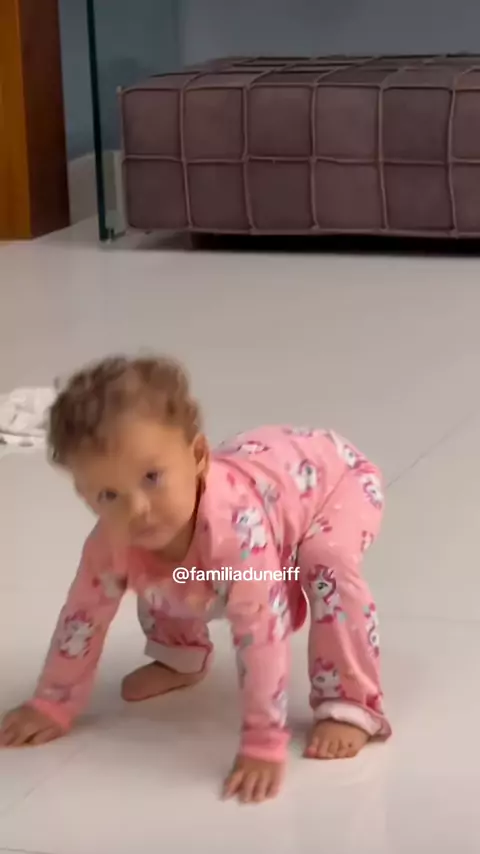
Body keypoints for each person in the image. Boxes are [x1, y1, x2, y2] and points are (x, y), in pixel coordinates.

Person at [0, 355, 391, 803]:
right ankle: (181, 656)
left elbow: (262, 633)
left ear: (199, 457)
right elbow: (82, 618)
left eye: (152, 477)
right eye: (109, 494)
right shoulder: (113, 539)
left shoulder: (236, 531)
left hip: (336, 478)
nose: (137, 508)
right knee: (157, 561)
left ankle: (350, 702)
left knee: (326, 564)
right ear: (85, 495)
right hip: (262, 472)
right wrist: (52, 702)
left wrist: (263, 742)